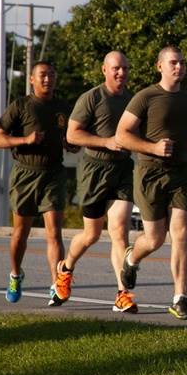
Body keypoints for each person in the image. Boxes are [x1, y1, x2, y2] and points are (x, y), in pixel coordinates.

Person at [115, 46, 187, 319]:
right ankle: (131, 260)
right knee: (155, 238)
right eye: (174, 63)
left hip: (182, 173)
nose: (179, 67)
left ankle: (181, 298)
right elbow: (121, 135)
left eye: (183, 63)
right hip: (151, 172)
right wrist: (152, 148)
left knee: (182, 233)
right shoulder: (146, 96)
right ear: (160, 67)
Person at [56, 51, 137, 313]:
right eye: (116, 68)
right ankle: (66, 268)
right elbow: (72, 134)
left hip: (123, 170)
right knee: (91, 234)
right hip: (94, 170)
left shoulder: (133, 100)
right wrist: (106, 142)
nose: (121, 73)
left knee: (119, 231)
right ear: (104, 70)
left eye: (125, 68)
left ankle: (122, 294)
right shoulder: (91, 97)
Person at [0, 61, 79, 306]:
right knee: (21, 234)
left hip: (53, 174)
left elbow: (66, 136)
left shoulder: (63, 108)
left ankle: (56, 286)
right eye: (42, 75)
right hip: (25, 174)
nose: (48, 79)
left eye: (52, 75)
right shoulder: (21, 105)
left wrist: (68, 144)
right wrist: (26, 139)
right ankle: (15, 274)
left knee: (54, 233)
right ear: (31, 79)